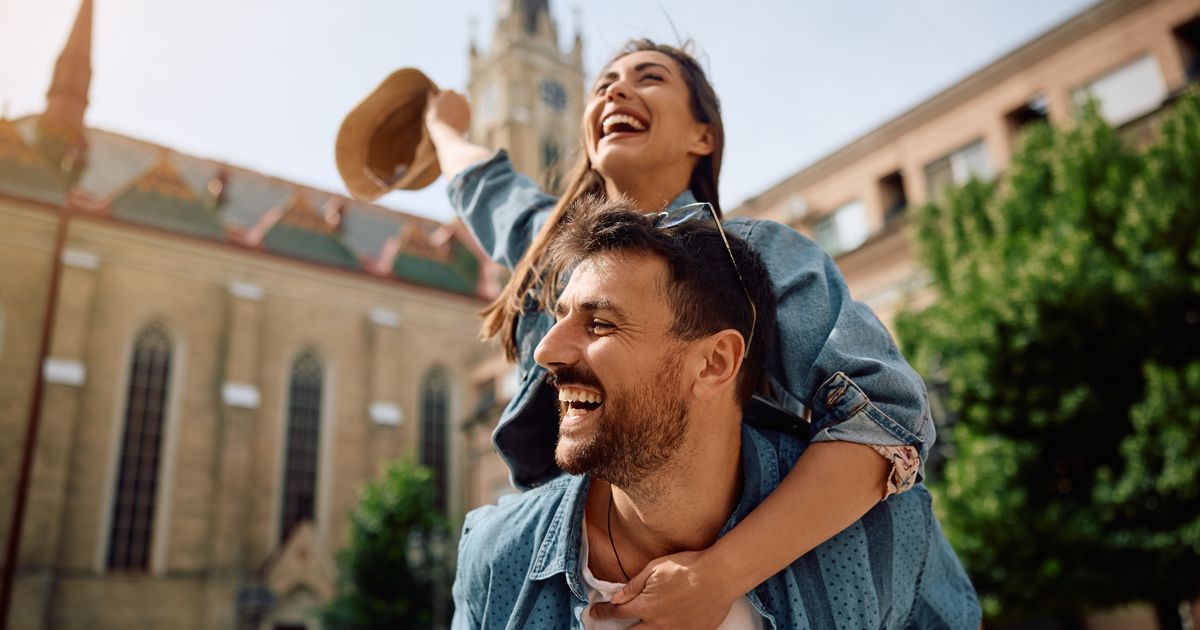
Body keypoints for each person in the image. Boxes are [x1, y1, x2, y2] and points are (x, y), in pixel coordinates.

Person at [427, 39, 932, 625]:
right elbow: (488, 189)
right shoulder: (554, 249)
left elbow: (887, 414)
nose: (615, 89)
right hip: (569, 570)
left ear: (703, 135)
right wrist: (442, 128)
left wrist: (723, 572)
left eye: (648, 78)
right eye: (603, 84)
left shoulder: (757, 256)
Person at [451, 198, 979, 629]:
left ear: (714, 363)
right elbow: (513, 209)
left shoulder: (882, 539)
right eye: (561, 317)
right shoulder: (497, 558)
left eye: (600, 325)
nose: (544, 352)